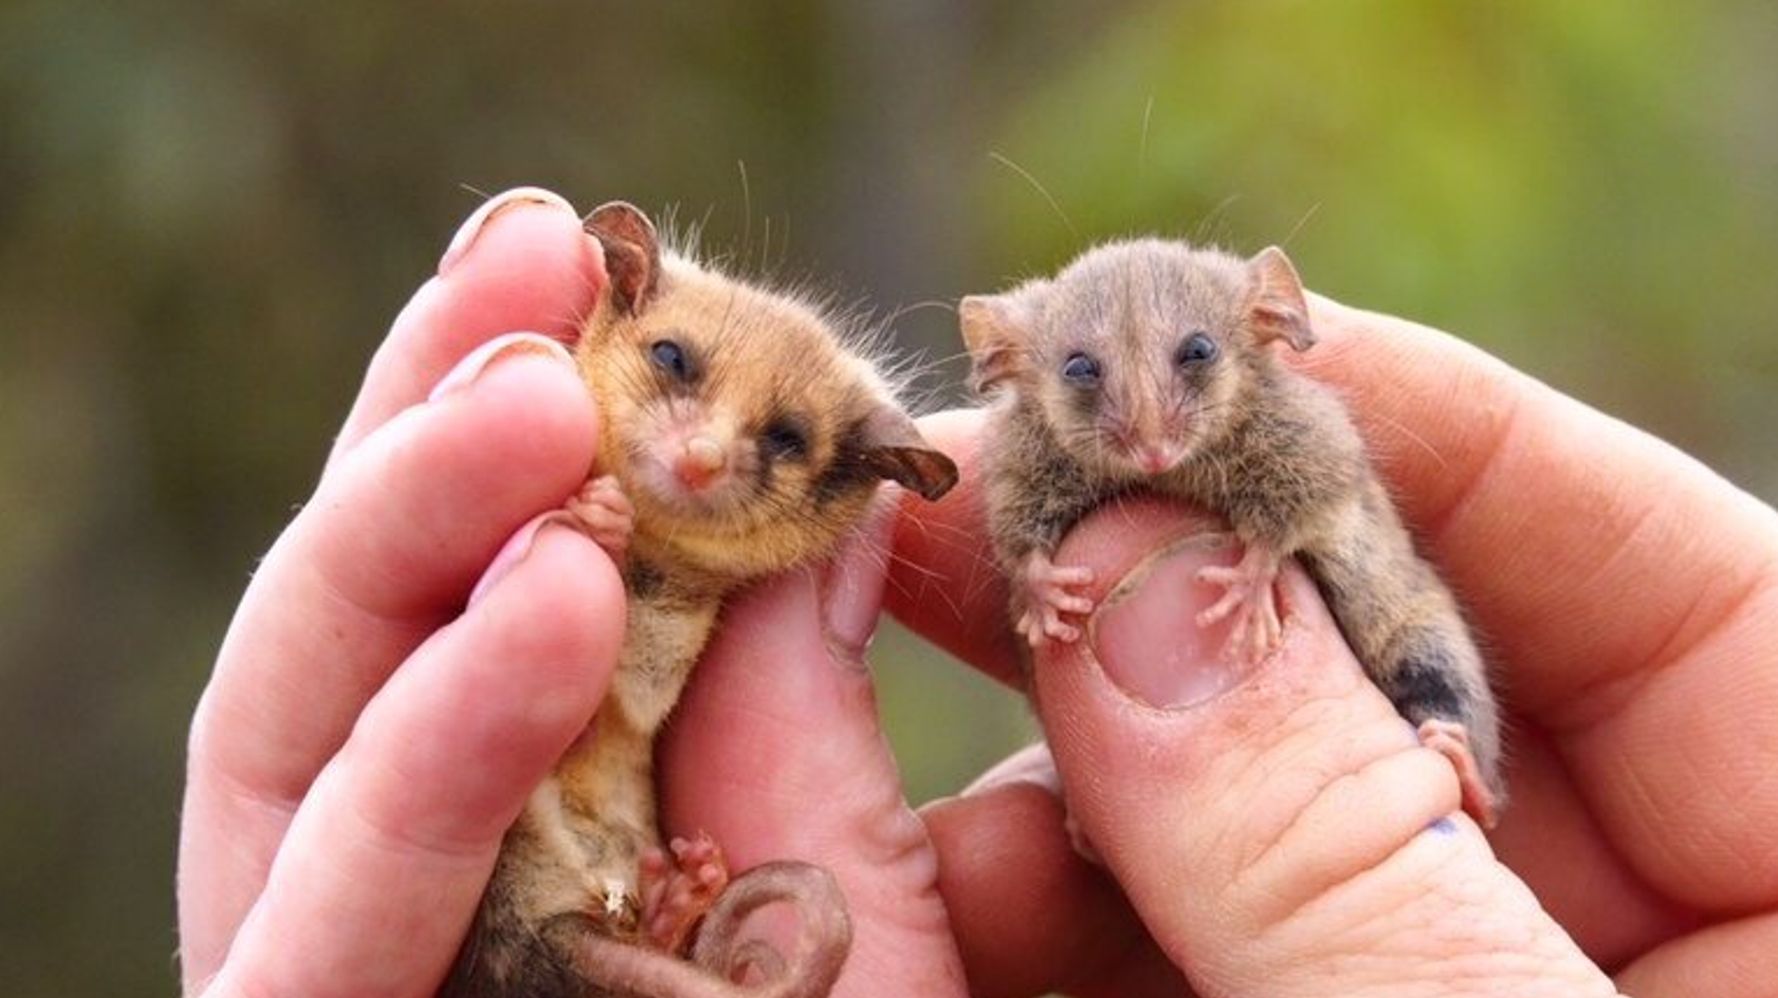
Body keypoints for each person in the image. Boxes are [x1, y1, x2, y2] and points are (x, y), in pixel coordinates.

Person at [175, 189, 1778, 998]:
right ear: (614, 297)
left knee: (1405, 621)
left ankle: (1441, 739)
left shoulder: (1287, 443)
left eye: (778, 444)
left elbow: (1327, 513)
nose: (697, 451)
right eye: (669, 369)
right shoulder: (566, 479)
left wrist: (1348, 781)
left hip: (1423, 746)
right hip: (558, 867)